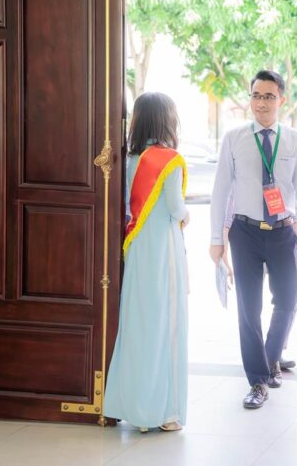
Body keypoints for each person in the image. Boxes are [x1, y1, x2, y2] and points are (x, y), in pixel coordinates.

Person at [210, 70, 297, 410]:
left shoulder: (295, 140)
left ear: (281, 100)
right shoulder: (234, 138)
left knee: (289, 298)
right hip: (244, 232)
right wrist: (217, 239)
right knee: (249, 308)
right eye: (256, 95)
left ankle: (271, 357)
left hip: (283, 231)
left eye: (269, 96)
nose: (261, 102)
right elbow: (220, 190)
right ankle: (257, 381)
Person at [106, 92, 190, 433]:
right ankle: (165, 413)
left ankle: (138, 410)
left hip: (137, 247)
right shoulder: (169, 160)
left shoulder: (128, 159)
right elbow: (175, 207)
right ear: (167, 120)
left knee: (138, 324)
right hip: (163, 251)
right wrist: (187, 217)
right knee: (166, 326)